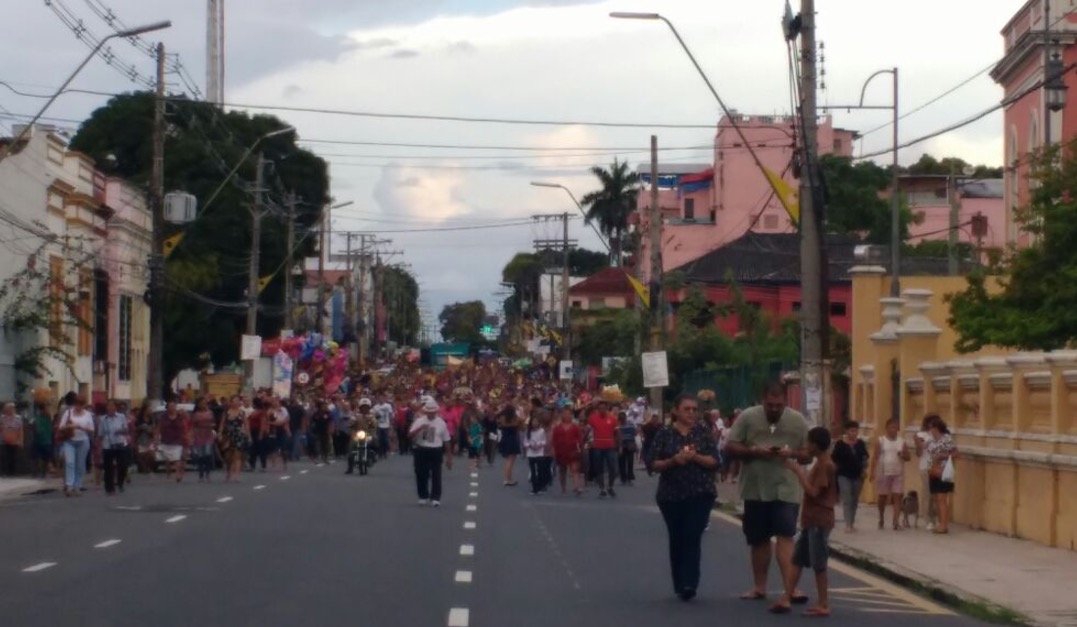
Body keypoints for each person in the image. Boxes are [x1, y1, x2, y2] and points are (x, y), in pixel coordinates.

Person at [724, 382, 810, 610]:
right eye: (770, 405)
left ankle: (791, 588)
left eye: (779, 405)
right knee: (759, 539)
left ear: (785, 402)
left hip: (786, 488)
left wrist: (791, 452)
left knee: (785, 535)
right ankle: (759, 586)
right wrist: (752, 450)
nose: (774, 409)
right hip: (755, 487)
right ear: (762, 400)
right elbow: (730, 446)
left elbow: (808, 454)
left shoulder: (798, 421)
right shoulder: (747, 417)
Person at [647, 394, 719, 601]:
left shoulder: (703, 432)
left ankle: (690, 582)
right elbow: (653, 463)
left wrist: (694, 456)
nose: (691, 413)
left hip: (700, 492)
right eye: (686, 409)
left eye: (694, 409)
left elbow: (715, 461)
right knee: (677, 537)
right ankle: (679, 582)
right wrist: (673, 461)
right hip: (671, 495)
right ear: (676, 411)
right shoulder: (665, 434)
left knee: (692, 534)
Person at [783, 426, 838, 617]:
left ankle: (823, 603)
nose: (807, 446)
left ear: (814, 444)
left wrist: (798, 472)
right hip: (811, 520)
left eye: (809, 442)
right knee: (797, 558)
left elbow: (814, 492)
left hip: (819, 520)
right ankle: (787, 596)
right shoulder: (820, 462)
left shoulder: (825, 464)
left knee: (819, 563)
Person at [408, 397, 453, 506]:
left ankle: (435, 497)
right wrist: (420, 428)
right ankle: (423, 495)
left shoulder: (441, 423)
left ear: (436, 411)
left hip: (436, 449)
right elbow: (409, 435)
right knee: (420, 473)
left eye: (433, 412)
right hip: (421, 449)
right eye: (429, 412)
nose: (431, 414)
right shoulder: (419, 421)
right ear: (425, 411)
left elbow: (447, 440)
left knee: (436, 474)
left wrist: (449, 458)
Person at [869, 417, 909, 530]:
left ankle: (895, 522)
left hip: (898, 473)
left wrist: (903, 455)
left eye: (896, 428)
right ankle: (881, 517)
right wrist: (872, 472)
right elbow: (875, 457)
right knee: (883, 497)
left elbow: (908, 456)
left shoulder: (902, 441)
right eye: (892, 427)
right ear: (886, 428)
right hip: (883, 472)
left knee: (897, 496)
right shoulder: (881, 441)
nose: (894, 430)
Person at [831, 420, 869, 532]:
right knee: (847, 499)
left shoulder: (860, 443)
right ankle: (848, 524)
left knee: (854, 499)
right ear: (847, 431)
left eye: (856, 430)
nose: (855, 433)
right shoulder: (840, 444)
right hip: (843, 475)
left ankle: (852, 522)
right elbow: (834, 459)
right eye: (852, 430)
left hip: (858, 475)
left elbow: (865, 457)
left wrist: (864, 467)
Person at [98, 400, 131, 495]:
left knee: (123, 465)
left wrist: (121, 430)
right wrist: (99, 447)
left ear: (115, 408)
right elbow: (100, 434)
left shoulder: (121, 417)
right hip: (108, 445)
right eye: (109, 406)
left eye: (113, 406)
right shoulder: (103, 419)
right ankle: (109, 488)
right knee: (108, 468)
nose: (111, 408)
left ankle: (120, 482)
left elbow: (126, 429)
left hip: (120, 443)